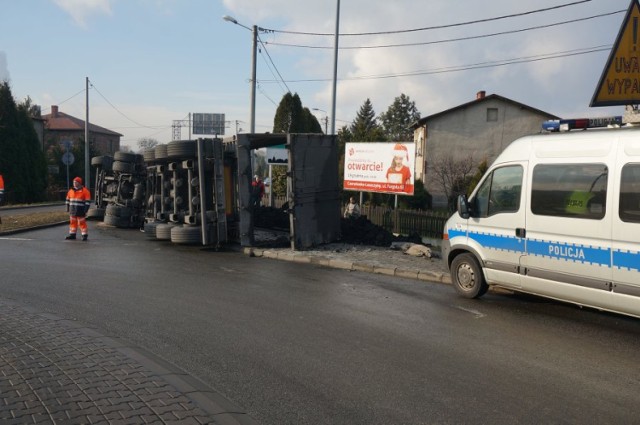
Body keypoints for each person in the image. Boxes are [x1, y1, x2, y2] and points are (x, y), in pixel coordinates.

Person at [65, 176, 91, 241]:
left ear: (79, 183)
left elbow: (87, 202)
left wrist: (85, 210)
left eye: (76, 182)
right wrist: (67, 208)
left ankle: (84, 235)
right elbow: (67, 200)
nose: (74, 183)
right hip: (72, 210)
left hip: (80, 210)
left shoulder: (85, 191)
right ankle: (72, 235)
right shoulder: (70, 191)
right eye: (73, 182)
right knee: (72, 223)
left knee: (81, 223)